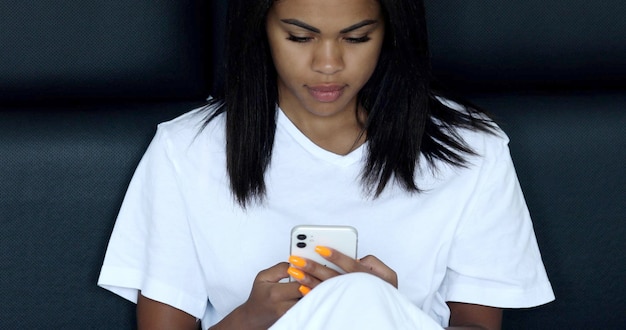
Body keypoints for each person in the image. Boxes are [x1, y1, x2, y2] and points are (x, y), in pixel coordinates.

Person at [98, 0, 555, 329]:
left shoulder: (473, 149)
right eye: (299, 37)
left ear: (390, 33)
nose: (328, 64)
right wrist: (251, 319)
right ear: (261, 29)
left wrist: (386, 308)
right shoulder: (187, 151)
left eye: (357, 38)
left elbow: (477, 324)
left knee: (363, 294)